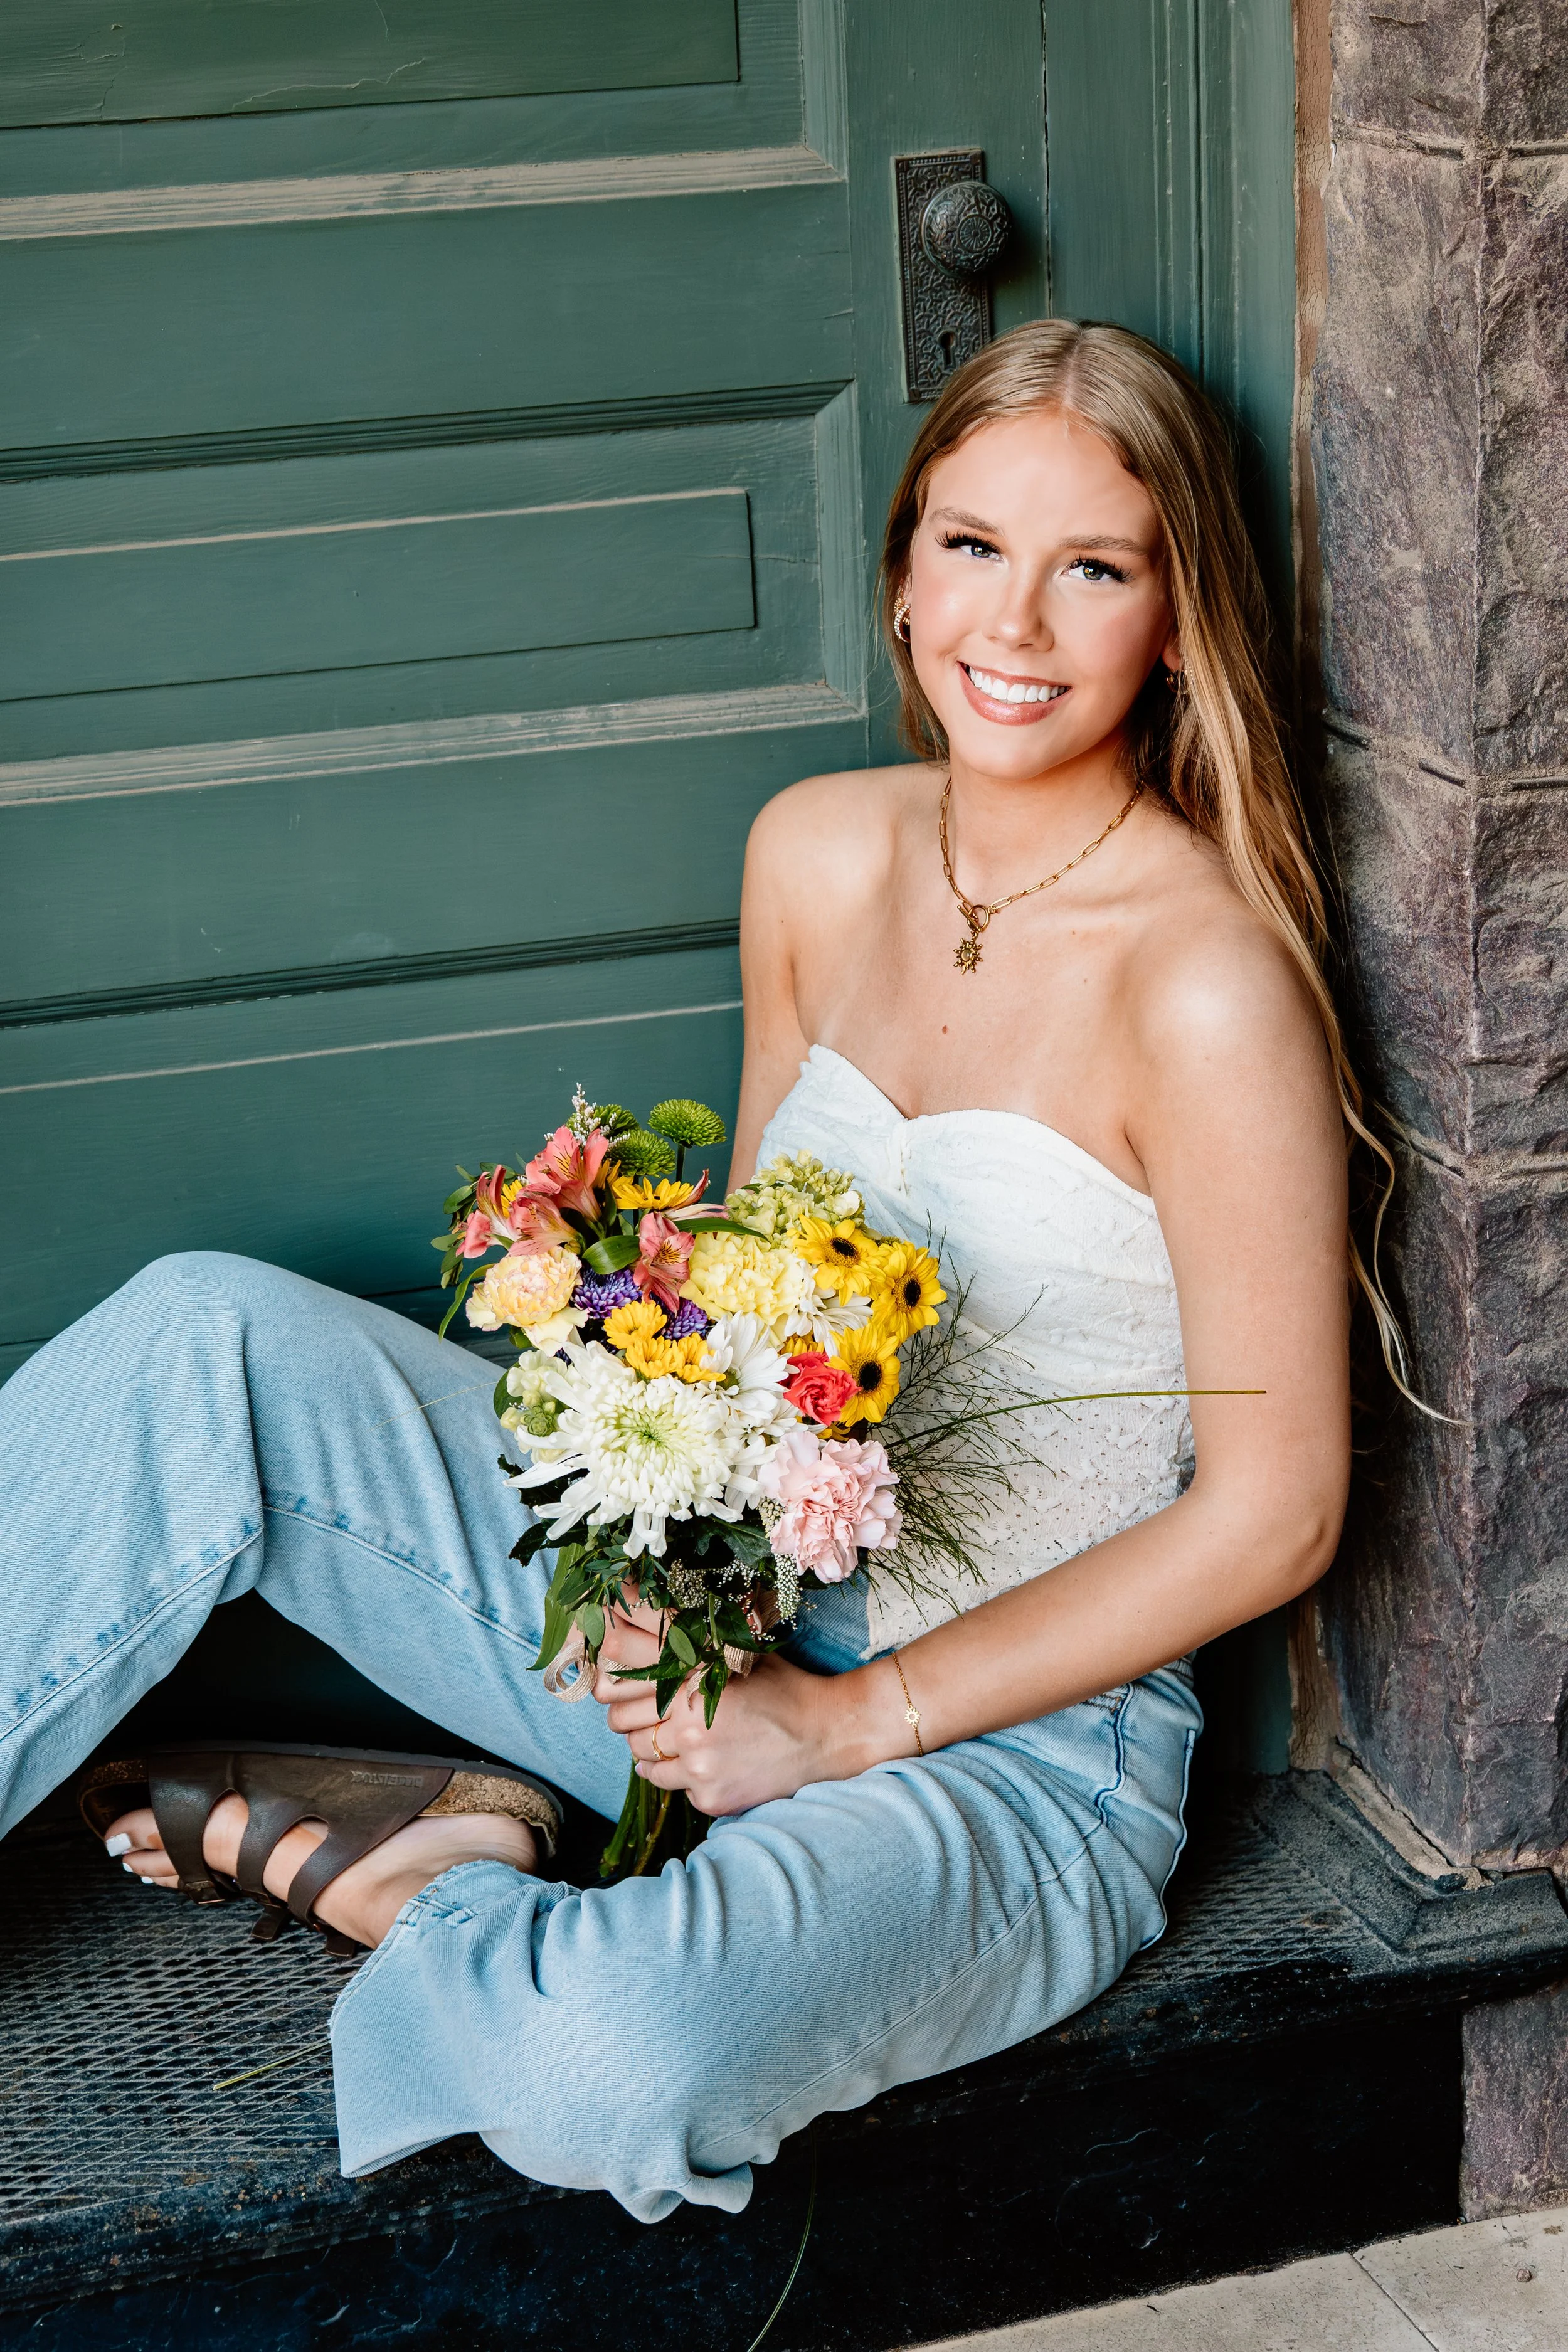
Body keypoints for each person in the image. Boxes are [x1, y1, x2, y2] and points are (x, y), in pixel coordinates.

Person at [0, 321, 1365, 2223]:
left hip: (1011, 1763)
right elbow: (722, 1324)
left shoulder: (1207, 984)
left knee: (615, 2054)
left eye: (1094, 568)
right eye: (972, 545)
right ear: (901, 572)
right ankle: (533, 1809)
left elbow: (1280, 1510)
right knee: (199, 1336)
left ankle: (412, 1881)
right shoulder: (815, 853)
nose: (1016, 624)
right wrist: (662, 1587)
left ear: (1177, 616)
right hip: (727, 1637)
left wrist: (842, 1722)